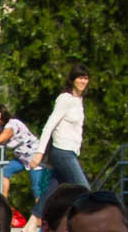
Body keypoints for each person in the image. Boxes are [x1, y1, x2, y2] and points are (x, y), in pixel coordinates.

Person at [32, 71, 89, 208]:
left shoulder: (79, 101)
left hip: (71, 152)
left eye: (86, 78)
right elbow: (49, 126)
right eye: (80, 78)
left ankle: (33, 221)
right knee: (84, 190)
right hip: (62, 151)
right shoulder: (65, 99)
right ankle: (87, 220)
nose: (83, 81)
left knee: (50, 193)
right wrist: (39, 152)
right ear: (72, 80)